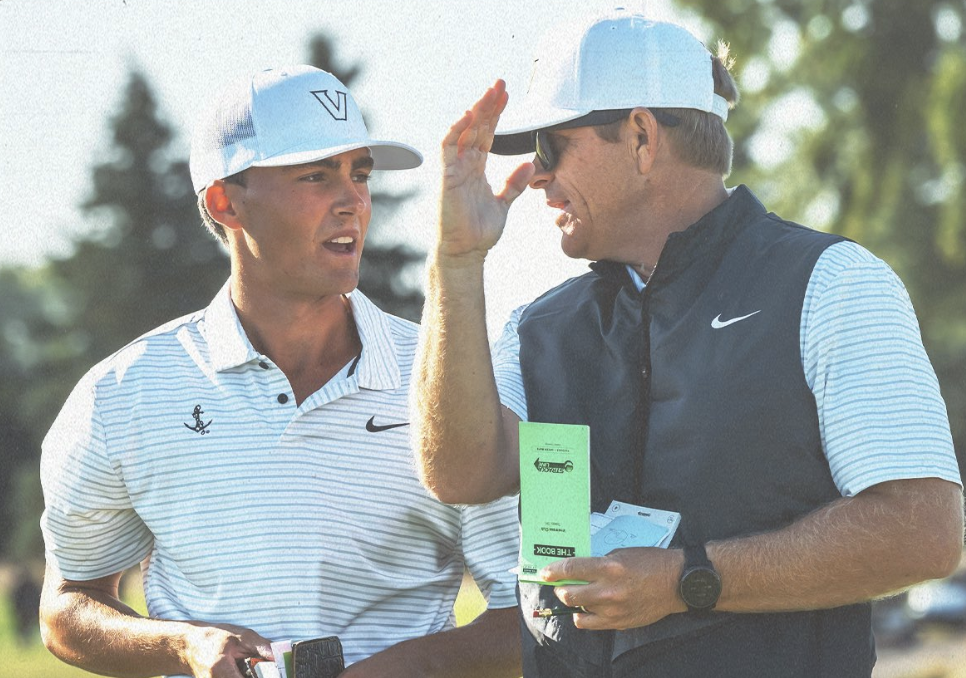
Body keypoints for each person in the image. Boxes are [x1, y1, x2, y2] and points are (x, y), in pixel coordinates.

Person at [412, 11, 964, 677]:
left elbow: (925, 533)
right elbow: (458, 473)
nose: (536, 178)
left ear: (642, 137)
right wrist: (456, 260)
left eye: (551, 149)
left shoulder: (833, 284)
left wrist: (685, 580)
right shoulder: (538, 328)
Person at [39, 65, 522, 678]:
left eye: (361, 174)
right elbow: (66, 608)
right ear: (225, 201)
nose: (353, 201)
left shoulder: (455, 386)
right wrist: (182, 645)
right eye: (317, 176)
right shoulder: (123, 393)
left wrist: (402, 669)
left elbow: (531, 614)